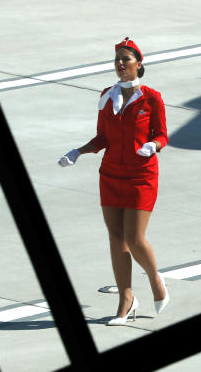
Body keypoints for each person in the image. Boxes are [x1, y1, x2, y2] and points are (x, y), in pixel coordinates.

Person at [58, 37, 169, 325]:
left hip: (141, 175)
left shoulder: (151, 97)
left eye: (126, 59)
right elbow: (102, 137)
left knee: (134, 238)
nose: (120, 64)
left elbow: (162, 135)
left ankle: (156, 281)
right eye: (117, 59)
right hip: (110, 175)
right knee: (116, 238)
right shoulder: (107, 95)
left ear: (139, 64)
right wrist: (79, 151)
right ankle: (126, 300)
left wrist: (153, 145)